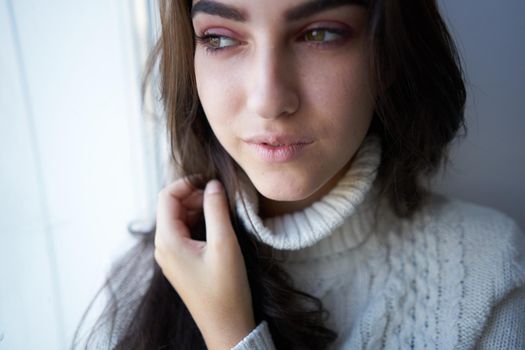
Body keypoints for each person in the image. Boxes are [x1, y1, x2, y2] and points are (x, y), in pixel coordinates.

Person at [74, 0, 525, 349]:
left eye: (320, 34)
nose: (269, 99)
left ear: (389, 51)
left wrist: (230, 334)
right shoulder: (142, 274)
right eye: (221, 38)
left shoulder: (485, 272)